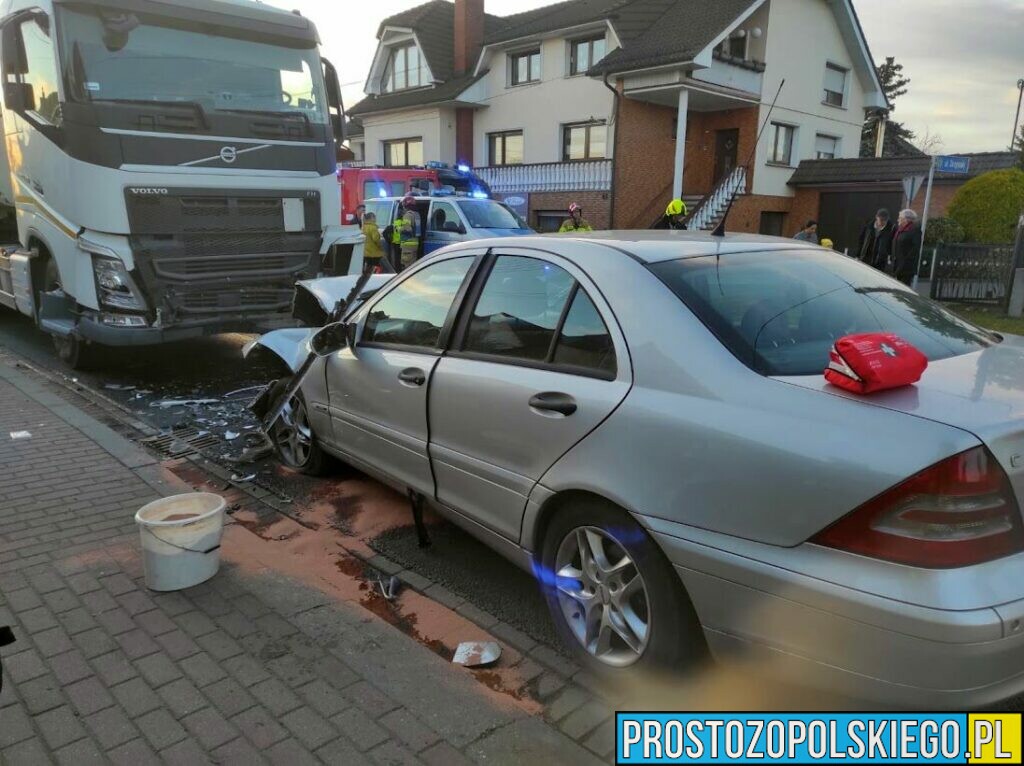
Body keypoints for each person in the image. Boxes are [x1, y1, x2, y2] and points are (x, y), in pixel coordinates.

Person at [892, 208, 922, 286]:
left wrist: (904, 262)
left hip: (906, 267)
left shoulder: (914, 230)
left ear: (906, 220)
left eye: (900, 218)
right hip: (897, 263)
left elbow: (915, 248)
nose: (898, 220)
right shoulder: (900, 229)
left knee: (903, 287)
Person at [396, 195, 421, 269]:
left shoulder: (407, 215)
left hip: (407, 245)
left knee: (407, 267)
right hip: (415, 244)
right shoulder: (416, 214)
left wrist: (398, 228)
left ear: (406, 205)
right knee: (413, 266)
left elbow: (407, 229)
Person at [361, 211, 384, 275]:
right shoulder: (373, 227)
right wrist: (381, 247)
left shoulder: (363, 227)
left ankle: (367, 277)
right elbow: (376, 239)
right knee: (376, 267)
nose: (376, 219)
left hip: (366, 252)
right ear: (372, 218)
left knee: (369, 267)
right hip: (374, 253)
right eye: (375, 218)